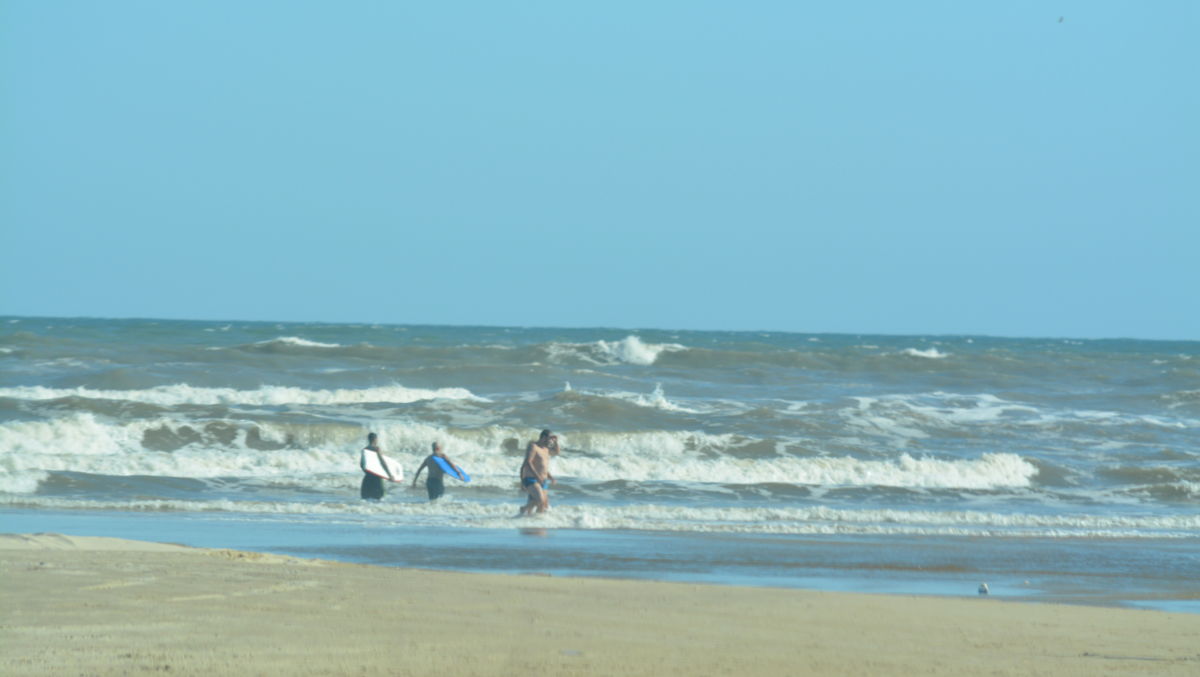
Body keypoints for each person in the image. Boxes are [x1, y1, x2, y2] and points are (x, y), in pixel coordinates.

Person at [518, 429, 560, 517]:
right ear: (544, 437)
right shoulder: (533, 446)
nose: (551, 441)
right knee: (540, 500)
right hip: (532, 479)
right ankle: (524, 509)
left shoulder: (546, 449)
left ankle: (535, 524)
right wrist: (536, 477)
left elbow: (557, 452)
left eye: (552, 440)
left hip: (543, 480)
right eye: (550, 439)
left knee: (543, 506)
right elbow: (528, 462)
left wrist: (550, 477)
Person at [359, 432, 388, 500]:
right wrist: (389, 474)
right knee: (380, 498)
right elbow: (382, 462)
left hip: (367, 477)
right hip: (377, 477)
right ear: (375, 439)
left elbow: (361, 464)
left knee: (366, 499)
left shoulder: (364, 450)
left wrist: (367, 472)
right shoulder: (376, 449)